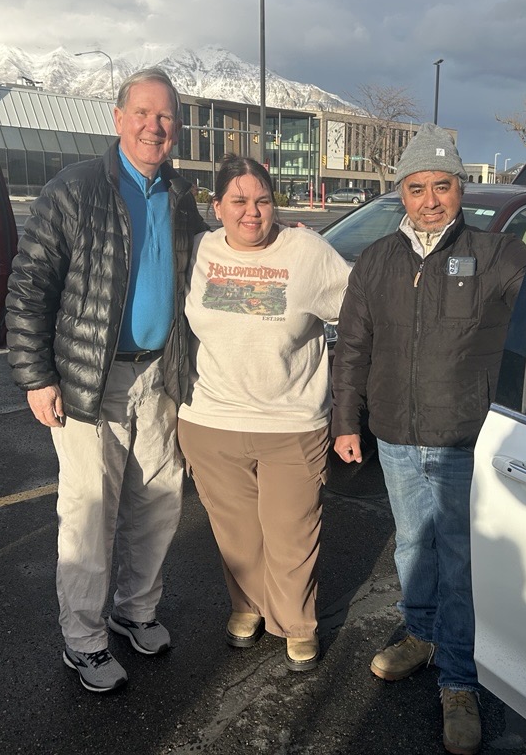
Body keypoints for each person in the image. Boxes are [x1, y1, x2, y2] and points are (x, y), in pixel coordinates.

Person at [330, 123, 526, 754]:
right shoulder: (376, 261)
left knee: (459, 561)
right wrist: (345, 421)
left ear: (461, 188)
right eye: (416, 187)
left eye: (442, 186)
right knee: (411, 549)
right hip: (397, 439)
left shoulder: (499, 255)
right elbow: (352, 347)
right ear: (401, 192)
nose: (430, 200)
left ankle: (458, 678)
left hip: (463, 438)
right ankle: (421, 632)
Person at [5, 68, 208, 693]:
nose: (154, 126)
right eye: (143, 113)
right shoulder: (75, 190)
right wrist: (36, 376)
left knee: (158, 503)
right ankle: (84, 640)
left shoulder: (178, 195)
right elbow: (28, 286)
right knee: (90, 513)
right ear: (117, 119)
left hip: (157, 376)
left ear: (176, 128)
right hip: (85, 383)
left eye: (166, 116)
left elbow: (202, 269)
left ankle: (134, 609)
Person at [176, 154, 350, 673]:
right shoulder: (199, 251)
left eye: (263, 200)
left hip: (291, 424)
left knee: (291, 533)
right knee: (237, 534)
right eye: (239, 200)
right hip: (211, 420)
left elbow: (360, 306)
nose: (251, 212)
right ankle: (246, 607)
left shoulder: (307, 250)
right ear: (217, 207)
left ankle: (297, 624)